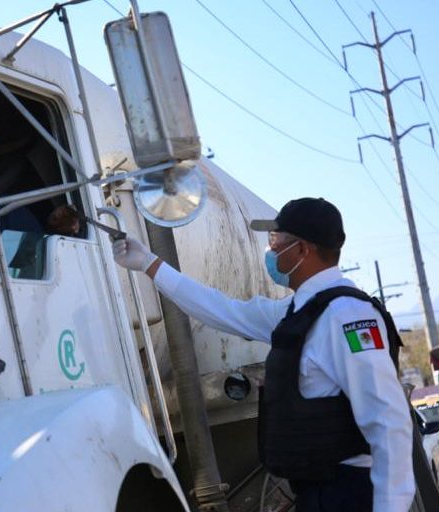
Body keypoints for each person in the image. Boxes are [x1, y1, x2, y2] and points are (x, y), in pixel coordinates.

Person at [112, 198, 415, 512]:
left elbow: (386, 417)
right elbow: (220, 310)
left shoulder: (347, 316)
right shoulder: (297, 311)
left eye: (275, 241)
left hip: (350, 490)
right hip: (317, 491)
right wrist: (149, 263)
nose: (270, 251)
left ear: (302, 249)